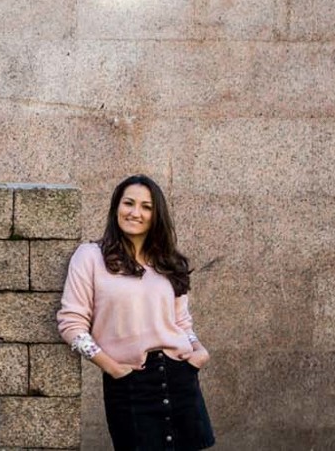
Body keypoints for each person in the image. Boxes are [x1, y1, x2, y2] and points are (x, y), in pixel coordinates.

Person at [56, 175, 215, 451]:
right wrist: (111, 367)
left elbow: (181, 322)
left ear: (156, 215)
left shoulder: (169, 263)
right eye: (128, 203)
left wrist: (199, 352)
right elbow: (71, 323)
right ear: (116, 207)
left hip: (180, 378)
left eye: (146, 207)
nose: (135, 212)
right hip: (129, 382)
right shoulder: (91, 257)